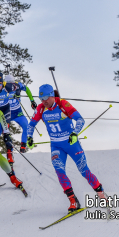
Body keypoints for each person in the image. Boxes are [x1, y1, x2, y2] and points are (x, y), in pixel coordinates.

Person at [27, 84, 106, 213]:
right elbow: (31, 125)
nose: (44, 101)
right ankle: (72, 200)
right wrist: (29, 137)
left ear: (52, 95)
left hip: (71, 143)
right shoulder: (41, 108)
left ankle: (101, 194)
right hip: (56, 145)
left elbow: (80, 119)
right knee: (59, 171)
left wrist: (75, 133)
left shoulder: (63, 104)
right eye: (41, 99)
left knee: (83, 170)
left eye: (46, 97)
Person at [5, 74, 38, 153]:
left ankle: (23, 145)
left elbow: (27, 89)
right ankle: (9, 149)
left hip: (18, 112)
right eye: (8, 83)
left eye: (12, 83)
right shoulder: (2, 87)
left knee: (26, 125)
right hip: (7, 113)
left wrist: (32, 100)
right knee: (5, 130)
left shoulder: (18, 85)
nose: (11, 85)